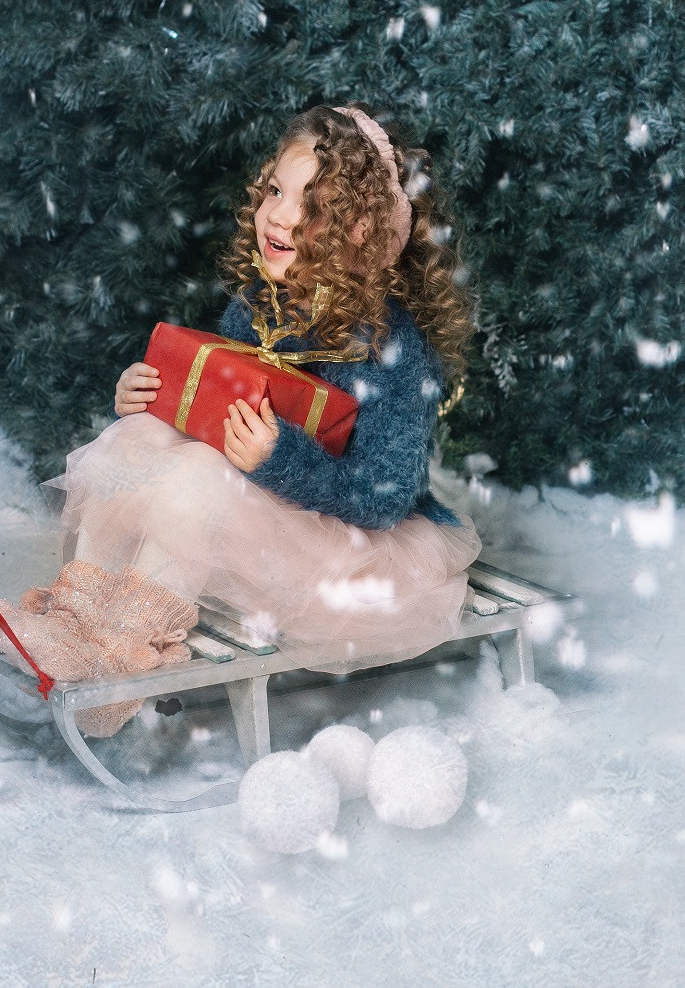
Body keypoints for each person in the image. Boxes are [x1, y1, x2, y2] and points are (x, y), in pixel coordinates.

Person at [61, 104, 483, 677]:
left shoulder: (392, 348)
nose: (279, 218)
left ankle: (132, 646)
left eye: (313, 208)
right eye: (275, 192)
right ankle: (76, 615)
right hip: (257, 517)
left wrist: (278, 456)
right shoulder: (259, 307)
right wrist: (154, 396)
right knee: (137, 434)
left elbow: (385, 497)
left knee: (200, 477)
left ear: (362, 231)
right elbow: (213, 412)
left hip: (346, 546)